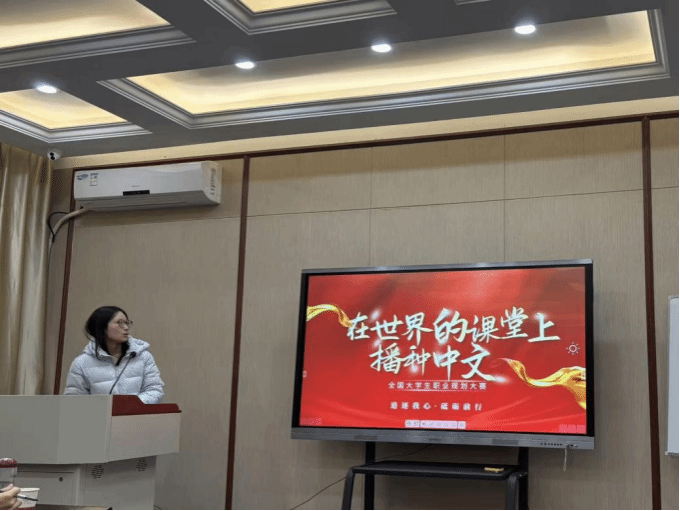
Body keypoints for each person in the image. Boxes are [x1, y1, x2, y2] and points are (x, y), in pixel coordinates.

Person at [64, 306, 164, 404]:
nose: (126, 328)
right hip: (98, 415)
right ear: (102, 327)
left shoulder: (143, 357)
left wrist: (130, 406)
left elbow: (154, 390)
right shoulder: (81, 363)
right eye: (120, 323)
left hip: (137, 414)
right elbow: (74, 401)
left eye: (127, 323)